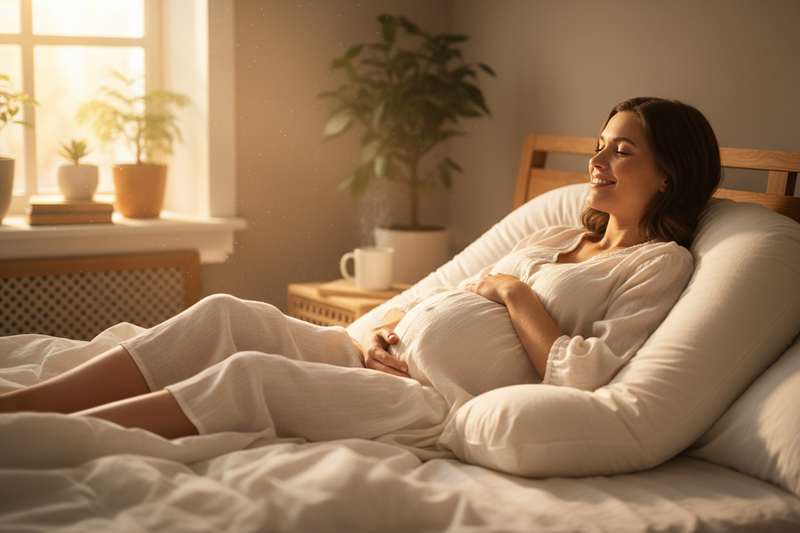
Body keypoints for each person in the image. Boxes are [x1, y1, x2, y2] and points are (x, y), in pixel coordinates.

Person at [0, 97, 722, 450]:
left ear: (669, 174)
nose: (596, 162)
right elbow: (453, 297)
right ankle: (22, 404)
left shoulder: (660, 264)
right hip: (383, 355)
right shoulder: (563, 231)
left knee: (248, 375)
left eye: (621, 151)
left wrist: (510, 288)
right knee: (225, 312)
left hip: (432, 403)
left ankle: (47, 437)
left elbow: (580, 374)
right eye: (598, 145)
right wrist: (391, 328)